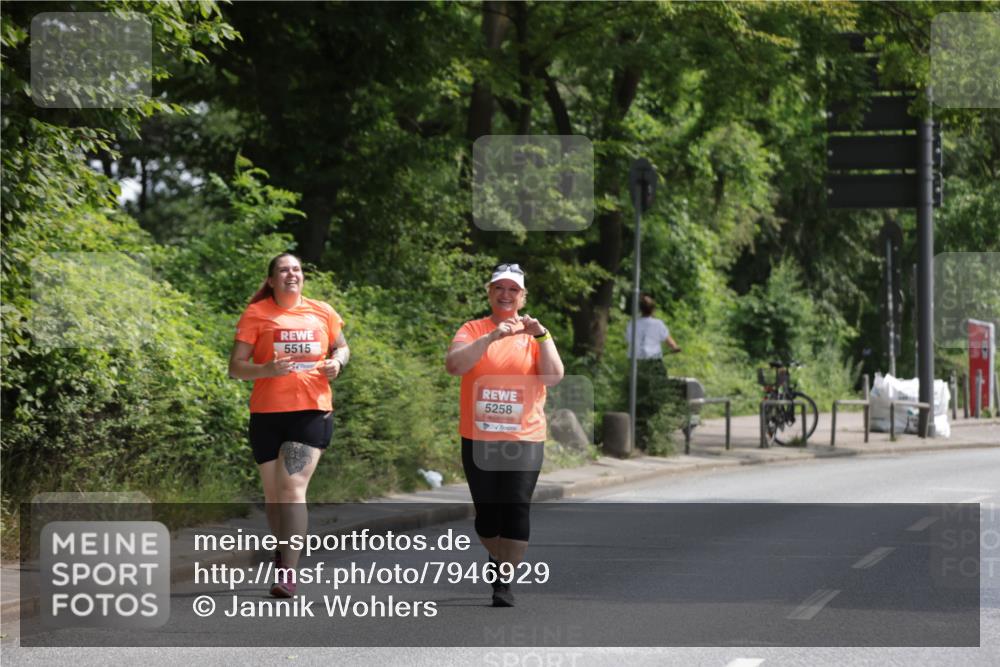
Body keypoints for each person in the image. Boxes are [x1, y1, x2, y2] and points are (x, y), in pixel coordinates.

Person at [228, 252, 349, 598]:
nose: (291, 274)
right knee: (273, 495)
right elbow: (235, 367)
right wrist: (265, 370)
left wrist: (337, 363)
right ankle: (283, 553)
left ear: (302, 277)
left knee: (292, 489)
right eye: (283, 270)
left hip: (311, 411)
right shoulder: (257, 314)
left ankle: (288, 572)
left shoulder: (322, 311)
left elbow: (342, 348)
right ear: (271, 280)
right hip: (267, 414)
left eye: (296, 268)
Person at [445, 263, 564, 607]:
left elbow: (554, 377)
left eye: (514, 290)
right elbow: (454, 366)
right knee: (487, 517)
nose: (506, 295)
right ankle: (499, 560)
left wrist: (542, 336)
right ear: (490, 292)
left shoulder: (536, 335)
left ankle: (503, 580)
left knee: (515, 509)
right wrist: (491, 337)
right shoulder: (472, 329)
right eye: (500, 288)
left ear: (523, 297)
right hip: (479, 437)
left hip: (524, 439)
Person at [625, 294, 680, 450]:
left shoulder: (632, 323)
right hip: (653, 362)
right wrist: (675, 348)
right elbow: (669, 340)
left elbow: (628, 340)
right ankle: (657, 418)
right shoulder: (658, 324)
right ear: (653, 309)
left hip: (636, 362)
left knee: (634, 390)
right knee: (659, 391)